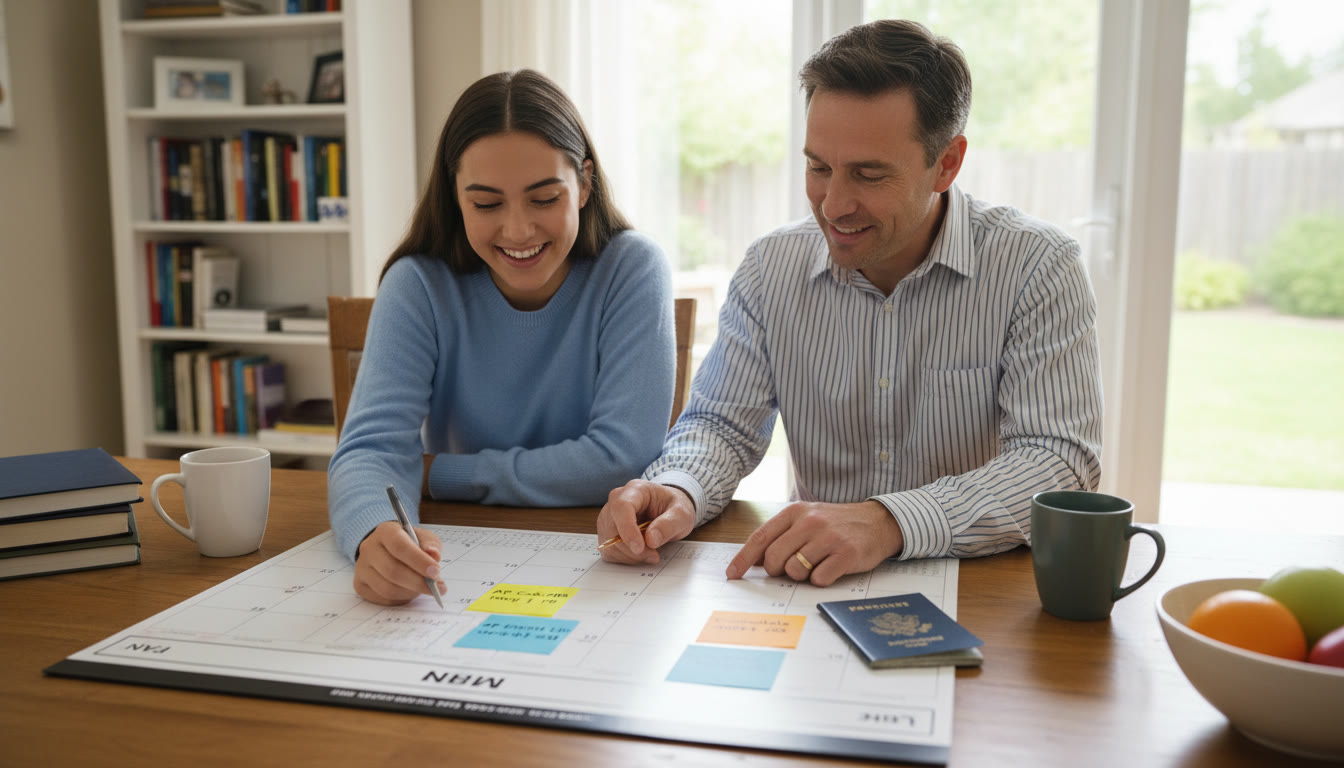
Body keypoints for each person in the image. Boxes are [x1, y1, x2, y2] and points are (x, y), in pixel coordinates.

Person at [597, 19, 1102, 586]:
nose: (833, 205)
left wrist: (888, 522)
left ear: (947, 164)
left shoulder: (1037, 266)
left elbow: (1058, 463)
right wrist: (679, 487)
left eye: (869, 175)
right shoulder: (771, 269)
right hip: (811, 583)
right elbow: (721, 425)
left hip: (979, 586)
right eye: (818, 167)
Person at [329, 69, 676, 605]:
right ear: (455, 197)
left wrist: (439, 474)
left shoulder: (633, 268)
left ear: (583, 184)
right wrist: (374, 532)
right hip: (461, 553)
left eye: (543, 198)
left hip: (604, 558)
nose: (517, 231)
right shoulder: (418, 283)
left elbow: (622, 457)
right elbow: (369, 451)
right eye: (486, 204)